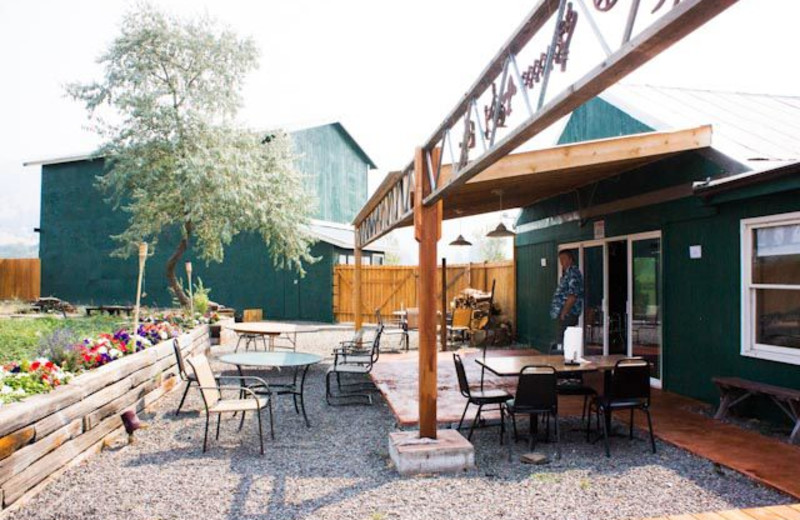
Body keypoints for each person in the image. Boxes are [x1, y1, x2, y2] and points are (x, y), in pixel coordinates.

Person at [549, 250, 584, 347]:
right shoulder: (566, 274)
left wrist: (564, 312)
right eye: (560, 259)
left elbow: (572, 296)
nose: (561, 262)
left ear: (570, 259)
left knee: (564, 339)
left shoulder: (574, 273)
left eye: (564, 259)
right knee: (561, 337)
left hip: (569, 313)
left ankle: (562, 358)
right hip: (562, 312)